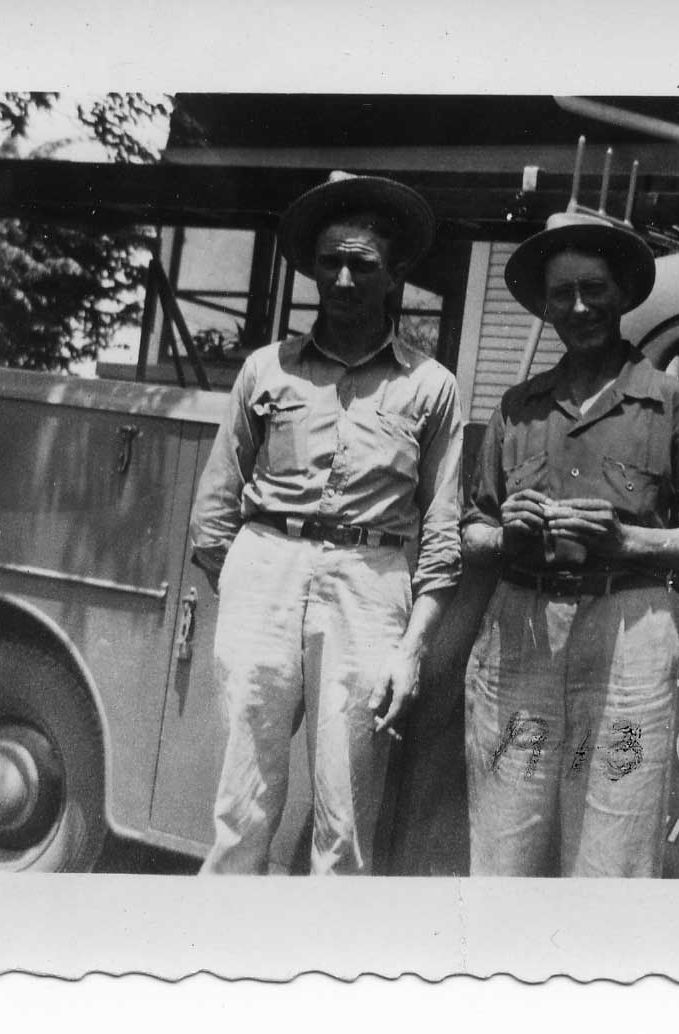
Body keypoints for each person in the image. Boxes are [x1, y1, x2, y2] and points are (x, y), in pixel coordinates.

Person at [188, 172, 462, 875]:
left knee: (344, 815)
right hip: (265, 567)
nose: (343, 278)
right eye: (330, 263)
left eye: (363, 265)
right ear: (310, 269)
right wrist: (254, 577)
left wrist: (411, 644)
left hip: (370, 585)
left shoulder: (429, 386)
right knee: (242, 798)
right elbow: (216, 501)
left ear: (395, 273)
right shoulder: (265, 369)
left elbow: (441, 526)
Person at [461, 211, 679, 877]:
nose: (578, 307)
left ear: (621, 295)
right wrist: (505, 534)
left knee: (612, 848)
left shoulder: (671, 405)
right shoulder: (516, 407)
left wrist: (627, 540)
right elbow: (469, 532)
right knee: (504, 841)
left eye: (594, 289)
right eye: (561, 294)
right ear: (544, 305)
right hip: (520, 636)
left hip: (626, 640)